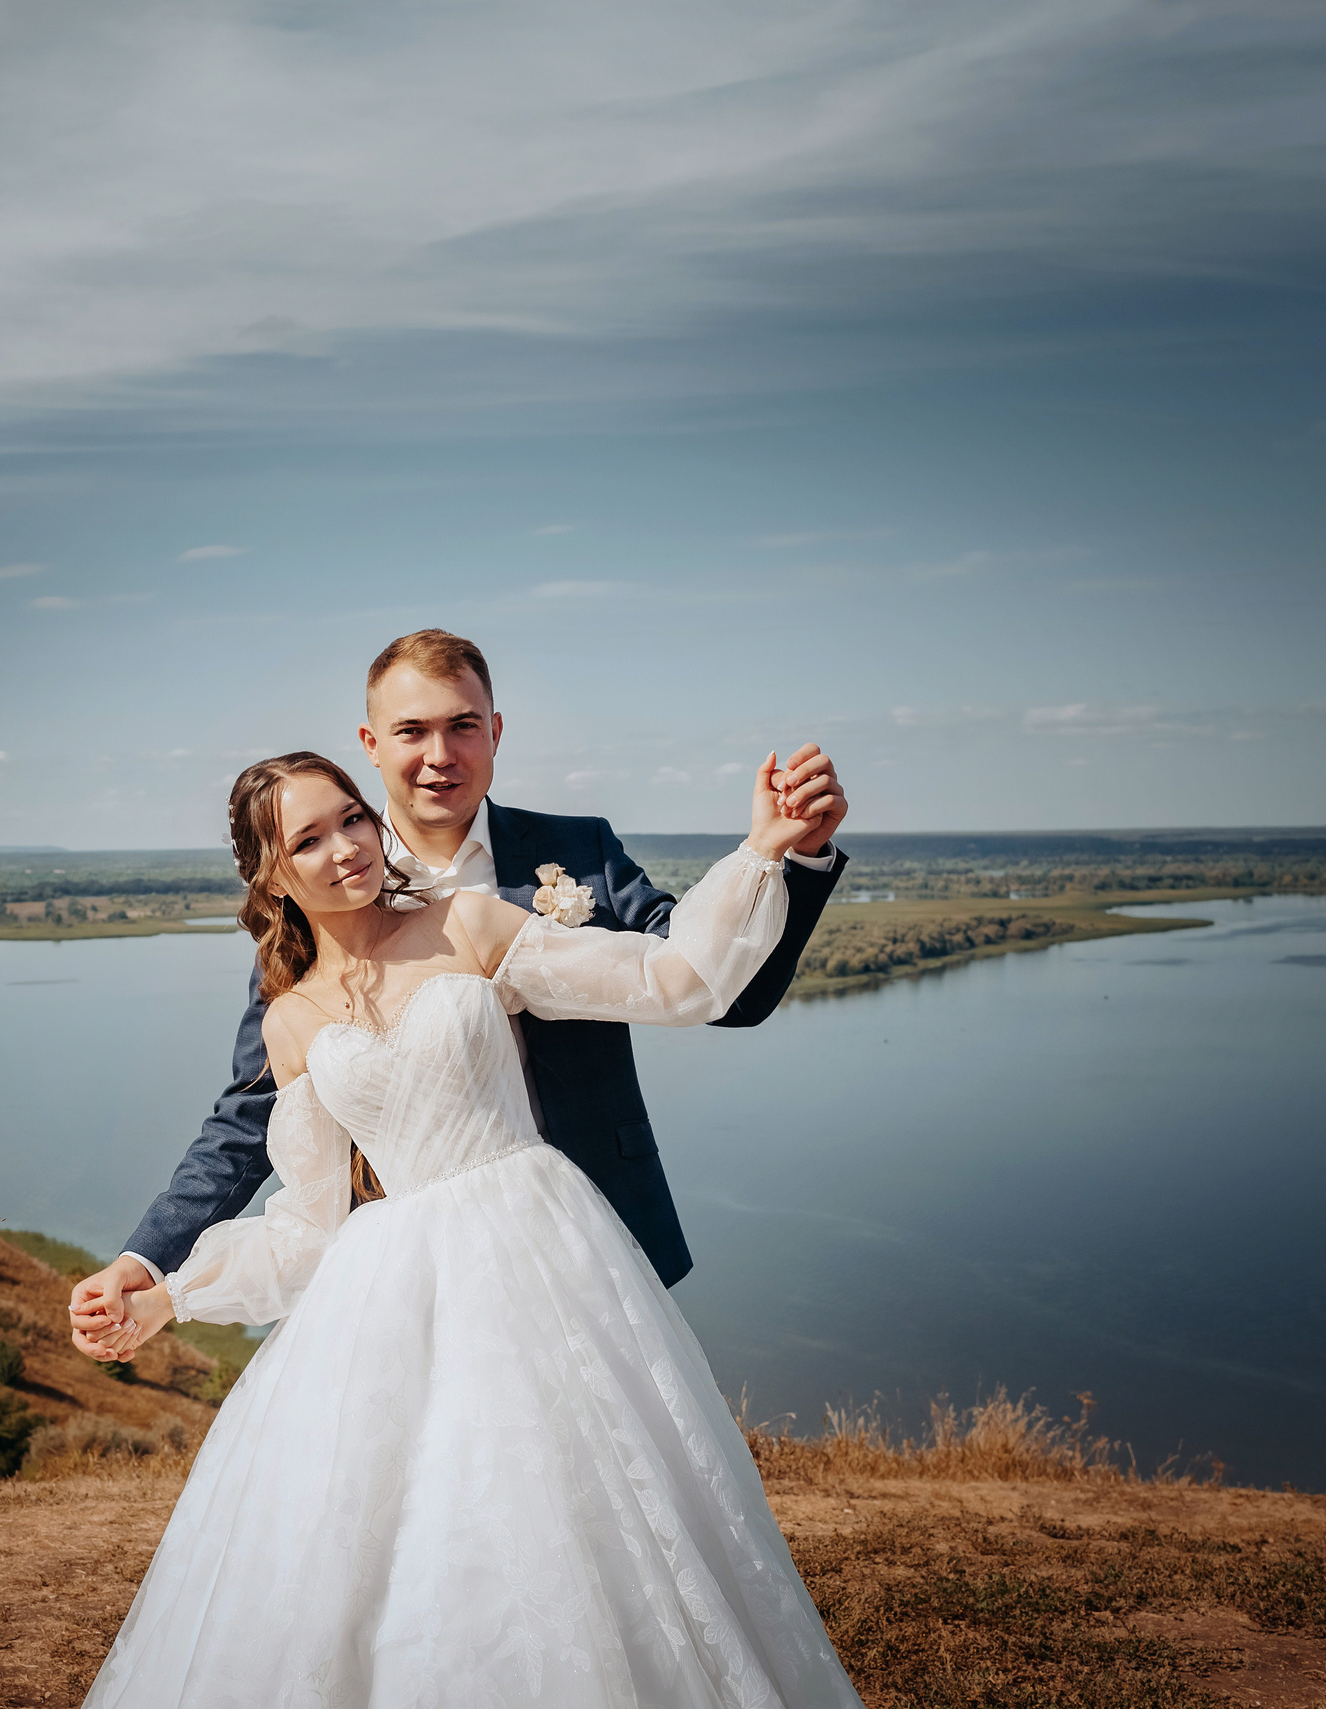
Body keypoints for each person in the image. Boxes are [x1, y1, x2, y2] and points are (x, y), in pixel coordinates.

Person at [77, 748, 864, 1705]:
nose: (345, 849)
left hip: (542, 1251)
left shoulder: (471, 922)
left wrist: (764, 852)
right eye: (308, 840)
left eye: (352, 820)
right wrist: (169, 1295)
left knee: (583, 1522)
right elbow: (312, 1227)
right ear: (272, 875)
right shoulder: (289, 1022)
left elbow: (676, 980)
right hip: (389, 1289)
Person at [70, 629, 847, 1352]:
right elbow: (252, 1117)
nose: (439, 754)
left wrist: (789, 857)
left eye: (463, 725)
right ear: (372, 745)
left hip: (590, 1232)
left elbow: (710, 985)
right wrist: (149, 1262)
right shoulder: (309, 936)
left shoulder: (579, 852)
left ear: (495, 732)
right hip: (411, 1273)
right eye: (411, 730)